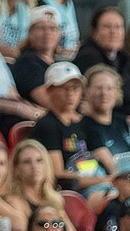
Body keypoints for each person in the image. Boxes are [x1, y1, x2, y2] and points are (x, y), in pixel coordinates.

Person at [32, 62, 105, 192]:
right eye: (65, 88)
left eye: (75, 88)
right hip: (74, 190)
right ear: (50, 91)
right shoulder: (47, 125)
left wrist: (118, 178)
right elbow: (59, 175)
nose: (71, 94)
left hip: (98, 180)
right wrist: (107, 180)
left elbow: (106, 158)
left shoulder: (86, 123)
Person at [80, 65, 130, 178]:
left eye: (109, 88)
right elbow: (115, 170)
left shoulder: (122, 122)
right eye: (98, 88)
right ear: (87, 91)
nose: (104, 93)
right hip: (123, 185)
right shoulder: (86, 127)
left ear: (117, 92)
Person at [10, 6, 63, 107]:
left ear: (59, 34)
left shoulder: (59, 64)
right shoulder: (26, 63)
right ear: (30, 33)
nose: (47, 33)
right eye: (41, 28)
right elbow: (50, 103)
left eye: (52, 28)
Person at [73, 5, 127, 78]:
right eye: (107, 26)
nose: (113, 32)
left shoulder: (124, 59)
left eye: (118, 27)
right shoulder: (88, 57)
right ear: (94, 31)